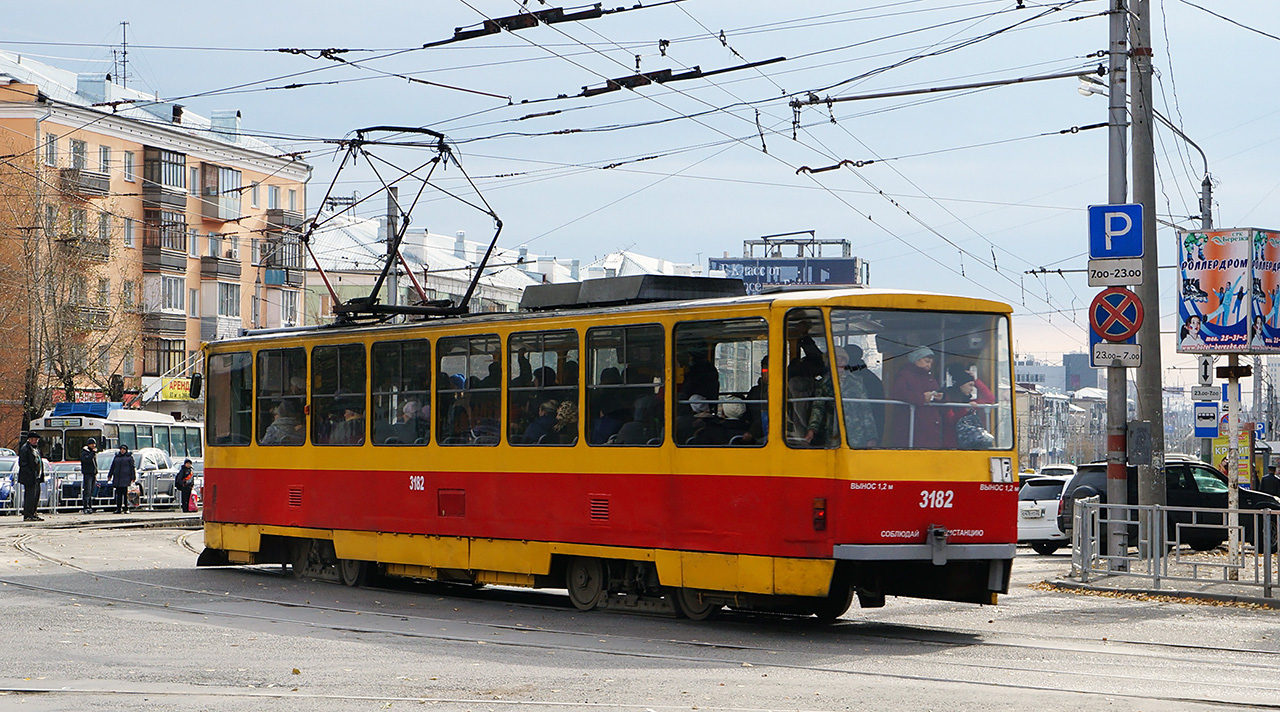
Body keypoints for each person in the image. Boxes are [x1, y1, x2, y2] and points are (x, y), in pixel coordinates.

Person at [805, 347, 878, 448]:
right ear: (829, 362)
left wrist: (871, 437)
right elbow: (818, 407)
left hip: (855, 432)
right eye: (836, 359)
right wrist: (812, 429)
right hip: (831, 432)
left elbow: (865, 409)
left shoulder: (856, 382)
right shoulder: (823, 383)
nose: (839, 362)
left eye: (842, 359)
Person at [888, 346, 944, 448]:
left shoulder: (930, 378)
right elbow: (897, 393)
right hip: (912, 425)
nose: (929, 365)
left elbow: (936, 391)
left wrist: (940, 397)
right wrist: (922, 398)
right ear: (916, 359)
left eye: (931, 363)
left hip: (929, 425)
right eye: (926, 361)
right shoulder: (905, 375)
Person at [18, 432, 43, 521]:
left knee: (36, 495)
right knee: (30, 496)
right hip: (29, 477)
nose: (36, 441)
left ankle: (33, 513)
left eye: (37, 440)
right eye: (34, 439)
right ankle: (28, 514)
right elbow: (23, 464)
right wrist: (30, 474)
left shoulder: (35, 449)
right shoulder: (25, 449)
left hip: (36, 476)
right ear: (30, 440)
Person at [107, 443, 137, 514]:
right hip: (118, 478)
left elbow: (132, 468)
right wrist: (110, 475)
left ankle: (126, 508)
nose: (122, 450)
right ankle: (118, 508)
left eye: (123, 449)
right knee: (118, 495)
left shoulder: (129, 458)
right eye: (121, 449)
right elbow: (112, 467)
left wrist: (133, 477)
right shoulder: (117, 457)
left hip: (126, 478)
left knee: (125, 495)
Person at [79, 437, 99, 513]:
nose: (93, 445)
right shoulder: (85, 452)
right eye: (91, 444)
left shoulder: (92, 452)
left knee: (91, 491)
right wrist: (92, 453)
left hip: (93, 473)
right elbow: (86, 460)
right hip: (87, 473)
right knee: (87, 490)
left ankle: (90, 506)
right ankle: (86, 507)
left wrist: (96, 471)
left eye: (94, 444)